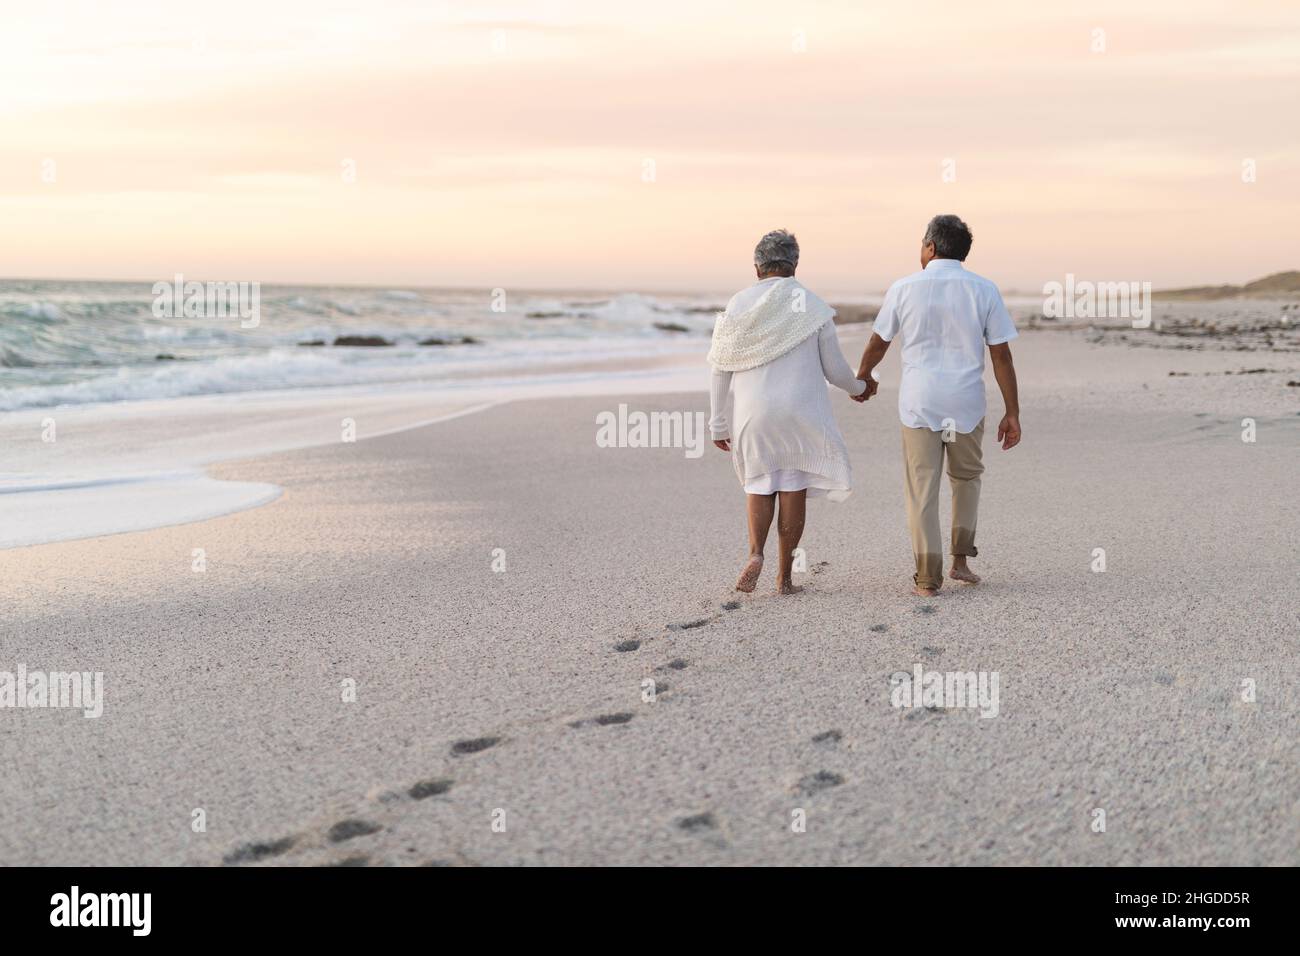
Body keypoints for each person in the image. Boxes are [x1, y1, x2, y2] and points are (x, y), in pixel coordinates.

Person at [853, 214, 1021, 597]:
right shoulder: (984, 289)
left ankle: (928, 580)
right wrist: (1012, 412)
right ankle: (961, 561)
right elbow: (1002, 357)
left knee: (922, 489)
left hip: (920, 404)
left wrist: (864, 378)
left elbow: (880, 341)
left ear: (930, 247)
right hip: (964, 403)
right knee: (966, 479)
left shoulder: (904, 287)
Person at [709, 229, 869, 594]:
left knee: (759, 484)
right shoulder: (810, 304)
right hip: (800, 412)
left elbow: (720, 365)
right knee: (793, 487)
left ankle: (754, 553)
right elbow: (835, 369)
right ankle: (784, 578)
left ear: (756, 267)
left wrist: (717, 421)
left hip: (754, 413)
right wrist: (859, 389)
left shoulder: (738, 304)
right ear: (795, 265)